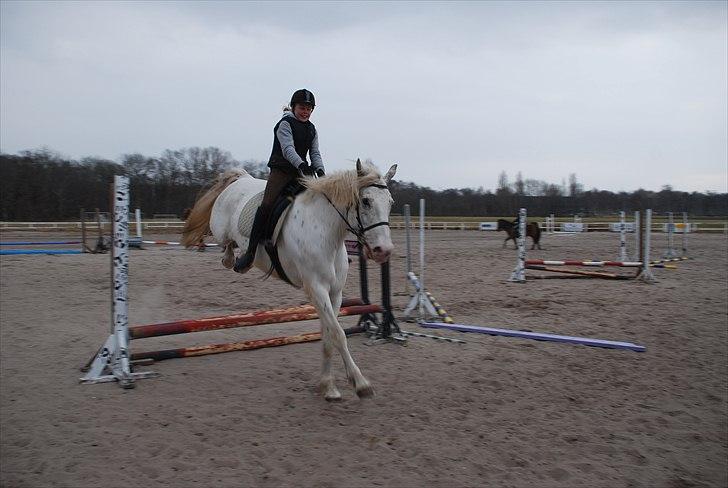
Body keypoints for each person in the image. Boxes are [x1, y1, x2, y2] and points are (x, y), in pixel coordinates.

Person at [233, 88, 326, 273]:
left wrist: (320, 170)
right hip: (282, 170)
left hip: (301, 170)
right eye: (302, 108)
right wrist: (301, 164)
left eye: (309, 109)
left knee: (320, 201)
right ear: (293, 107)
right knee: (267, 204)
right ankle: (250, 253)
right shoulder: (285, 124)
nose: (305, 112)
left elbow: (315, 152)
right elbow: (287, 149)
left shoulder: (311, 129)